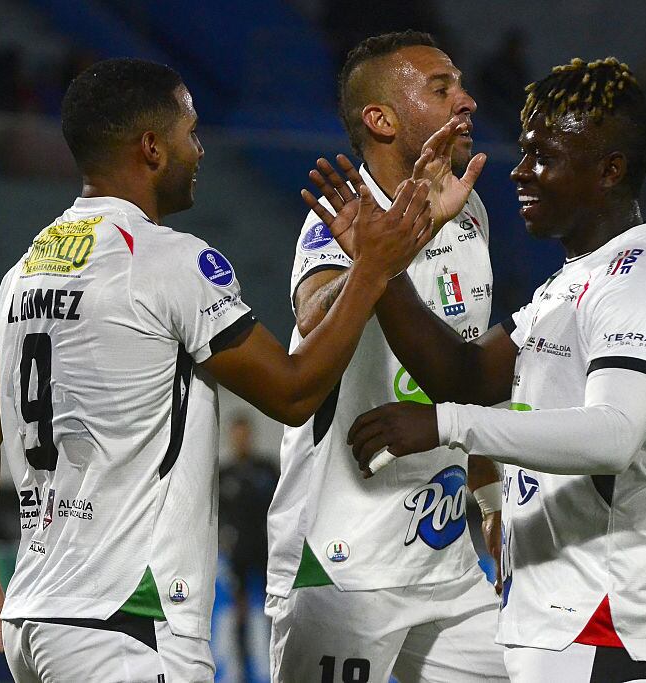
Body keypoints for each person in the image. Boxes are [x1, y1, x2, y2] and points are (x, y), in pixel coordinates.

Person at [0, 57, 451, 681]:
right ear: (152, 148)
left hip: (36, 616)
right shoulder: (166, 261)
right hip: (127, 622)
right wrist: (372, 270)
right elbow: (293, 393)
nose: (201, 150)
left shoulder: (27, 269)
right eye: (190, 132)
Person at [339, 58, 646, 682]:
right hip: (557, 623)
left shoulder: (643, 282)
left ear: (609, 170)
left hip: (611, 630)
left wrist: (446, 427)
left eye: (544, 157)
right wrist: (382, 270)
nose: (520, 173)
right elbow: (467, 374)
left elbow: (612, 435)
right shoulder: (571, 284)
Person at [266, 30, 508, 683]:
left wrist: (488, 499)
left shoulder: (471, 210)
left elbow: (468, 366)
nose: (468, 100)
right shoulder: (342, 218)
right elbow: (315, 318)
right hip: (343, 562)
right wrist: (394, 244)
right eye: (442, 88)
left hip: (443, 558)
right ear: (382, 118)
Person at [218, 413, 279, 682]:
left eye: (244, 434)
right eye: (236, 434)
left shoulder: (267, 469)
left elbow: (284, 506)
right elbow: (215, 517)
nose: (241, 440)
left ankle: (279, 667)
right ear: (231, 437)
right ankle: (243, 672)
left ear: (250, 435)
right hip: (239, 556)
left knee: (275, 613)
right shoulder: (224, 475)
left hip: (268, 553)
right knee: (240, 615)